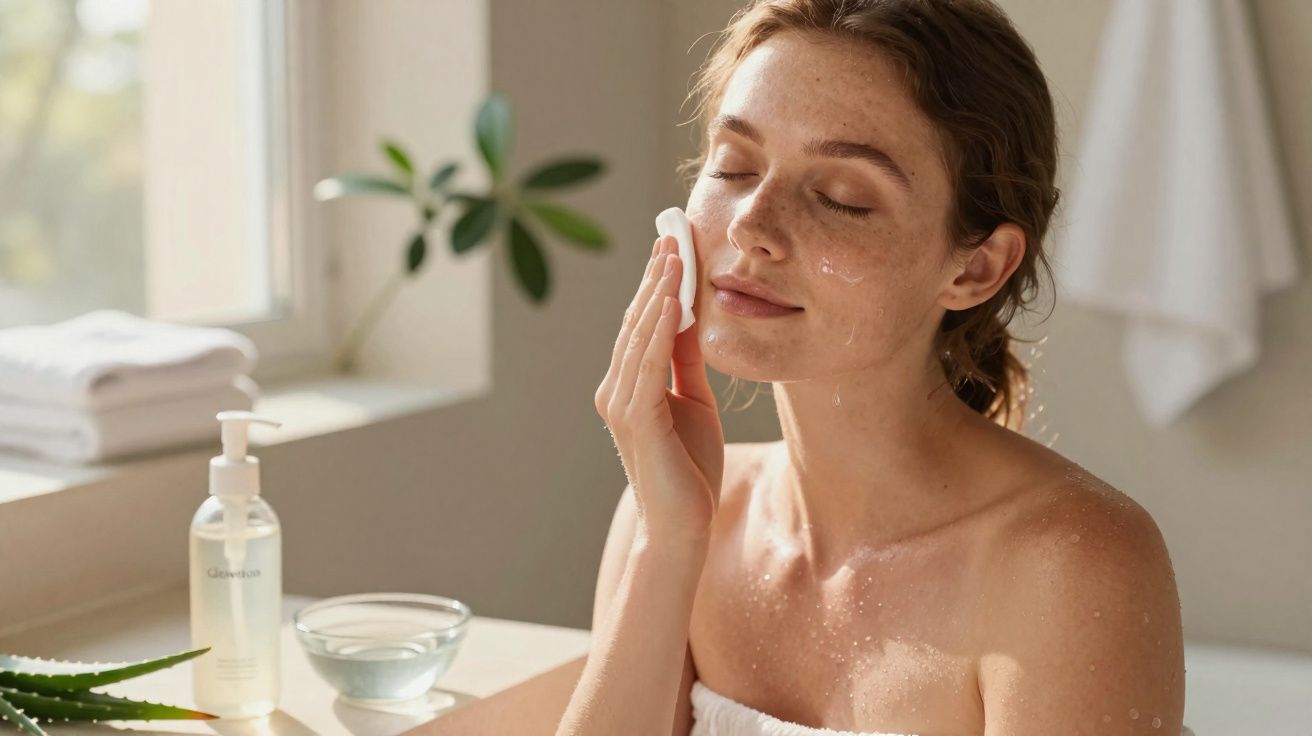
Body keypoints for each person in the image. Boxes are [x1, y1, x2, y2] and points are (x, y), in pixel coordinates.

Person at [560, 1, 1185, 733]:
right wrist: (668, 546)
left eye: (841, 199)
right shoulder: (674, 511)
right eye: (733, 165)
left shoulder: (1070, 568)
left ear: (977, 268)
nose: (749, 227)